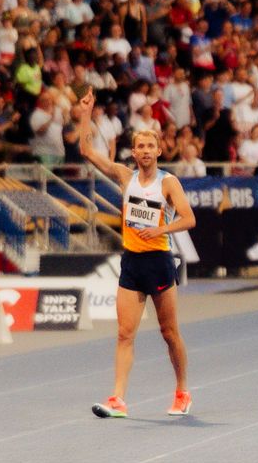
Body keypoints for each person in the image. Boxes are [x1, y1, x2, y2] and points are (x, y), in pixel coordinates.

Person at [72, 90, 197, 418]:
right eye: (139, 146)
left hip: (158, 261)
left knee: (169, 333)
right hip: (132, 262)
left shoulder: (168, 183)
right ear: (133, 151)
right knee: (125, 332)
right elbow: (87, 150)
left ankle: (182, 391)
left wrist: (161, 230)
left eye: (149, 146)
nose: (144, 151)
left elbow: (189, 218)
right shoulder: (125, 177)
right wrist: (85, 114)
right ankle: (118, 400)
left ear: (158, 150)